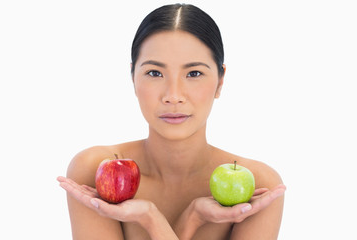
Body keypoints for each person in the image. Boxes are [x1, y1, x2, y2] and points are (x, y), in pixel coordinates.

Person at [57, 3, 286, 240]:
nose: (173, 96)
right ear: (133, 77)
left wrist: (177, 218)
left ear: (220, 81)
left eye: (194, 73)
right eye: (155, 73)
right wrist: (170, 219)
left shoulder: (258, 186)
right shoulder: (94, 170)